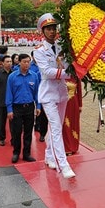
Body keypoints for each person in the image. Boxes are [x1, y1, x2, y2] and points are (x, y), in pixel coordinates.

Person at [33, 13, 76, 179]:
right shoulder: (39, 51)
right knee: (56, 127)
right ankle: (63, 164)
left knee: (55, 128)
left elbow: (66, 64)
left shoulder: (61, 47)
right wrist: (70, 73)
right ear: (42, 31)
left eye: (54, 28)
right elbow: (47, 72)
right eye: (48, 29)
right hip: (48, 94)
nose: (52, 31)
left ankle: (49, 157)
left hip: (61, 93)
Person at [5, 53, 40, 163]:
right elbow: (9, 94)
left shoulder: (34, 76)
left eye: (28, 62)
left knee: (28, 132)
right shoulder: (12, 77)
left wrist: (38, 106)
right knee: (17, 131)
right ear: (19, 62)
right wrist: (9, 109)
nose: (26, 64)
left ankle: (27, 153)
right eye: (24, 62)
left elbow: (37, 93)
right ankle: (16, 153)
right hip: (17, 108)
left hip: (29, 107)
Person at [0, 55, 13, 146]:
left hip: (12, 102)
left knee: (13, 123)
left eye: (10, 61)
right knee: (2, 121)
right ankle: (2, 138)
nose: (9, 63)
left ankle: (13, 139)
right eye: (7, 62)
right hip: (1, 101)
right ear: (3, 63)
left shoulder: (14, 73)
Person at [62, 77, 82, 155]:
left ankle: (74, 146)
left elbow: (79, 90)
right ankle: (67, 147)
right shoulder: (59, 74)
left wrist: (80, 105)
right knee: (65, 125)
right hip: (63, 102)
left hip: (73, 102)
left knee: (74, 125)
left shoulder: (76, 75)